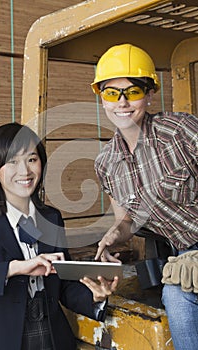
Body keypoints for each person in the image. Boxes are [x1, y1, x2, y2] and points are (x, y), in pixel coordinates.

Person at [0, 122, 118, 350]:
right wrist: (16, 267)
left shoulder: (51, 217)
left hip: (51, 337)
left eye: (32, 159)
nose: (24, 171)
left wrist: (95, 296)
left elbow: (63, 284)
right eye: (12, 161)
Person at [91, 43, 198, 350]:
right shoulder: (106, 164)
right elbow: (127, 220)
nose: (122, 102)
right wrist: (115, 235)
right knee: (177, 293)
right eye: (112, 93)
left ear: (150, 94)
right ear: (101, 97)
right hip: (182, 255)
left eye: (133, 91)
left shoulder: (181, 132)